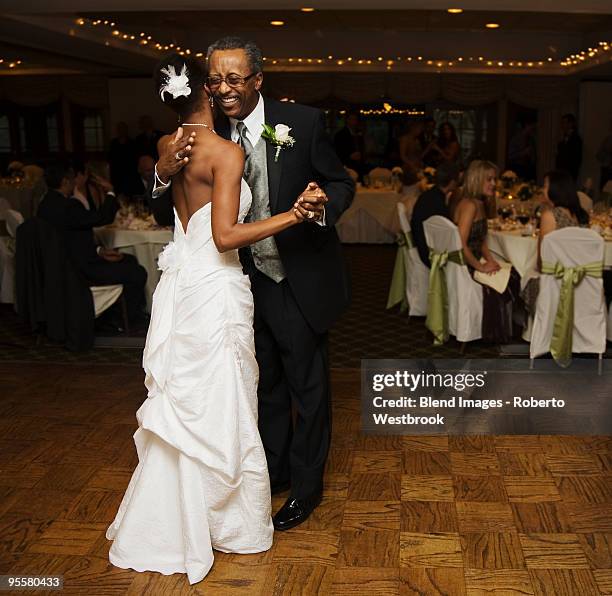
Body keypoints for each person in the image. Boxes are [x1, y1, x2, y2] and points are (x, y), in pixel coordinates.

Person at [148, 37, 354, 533]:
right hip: (239, 281)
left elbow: (342, 181)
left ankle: (307, 489)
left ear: (257, 80)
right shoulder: (200, 131)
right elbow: (170, 209)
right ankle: (275, 471)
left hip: (296, 277)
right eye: (215, 79)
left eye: (234, 79)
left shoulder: (301, 123)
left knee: (309, 389)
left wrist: (323, 199)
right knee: (263, 388)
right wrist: (160, 174)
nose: (224, 89)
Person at [37, 163, 147, 327]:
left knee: (128, 260)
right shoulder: (69, 206)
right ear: (66, 181)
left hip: (64, 263)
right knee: (137, 271)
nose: (75, 183)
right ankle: (125, 319)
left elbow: (70, 236)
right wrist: (110, 191)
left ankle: (119, 314)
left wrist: (99, 251)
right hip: (80, 268)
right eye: (72, 179)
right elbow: (101, 218)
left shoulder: (44, 204)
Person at [453, 160, 523, 343]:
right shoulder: (469, 205)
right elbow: (460, 243)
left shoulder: (479, 203)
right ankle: (500, 333)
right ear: (476, 180)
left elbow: (480, 240)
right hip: (465, 265)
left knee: (512, 273)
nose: (494, 184)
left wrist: (491, 260)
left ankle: (510, 329)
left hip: (472, 260)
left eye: (495, 179)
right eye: (489, 179)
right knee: (512, 279)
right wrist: (480, 267)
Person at [521, 170, 590, 315]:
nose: (542, 190)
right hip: (583, 282)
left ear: (556, 189)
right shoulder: (581, 215)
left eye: (545, 186)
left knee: (523, 275)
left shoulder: (550, 216)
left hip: (557, 283)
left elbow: (543, 263)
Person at [410, 162, 461, 267]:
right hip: (430, 254)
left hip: (421, 244)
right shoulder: (437, 203)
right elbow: (449, 232)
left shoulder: (428, 196)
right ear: (452, 182)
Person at [108, 122, 138, 195]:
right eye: (120, 129)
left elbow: (134, 159)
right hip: (116, 174)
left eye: (123, 129)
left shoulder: (132, 143)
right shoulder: (113, 143)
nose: (122, 131)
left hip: (129, 174)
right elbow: (110, 159)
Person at [334, 111, 365, 179]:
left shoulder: (359, 133)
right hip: (347, 167)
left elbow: (362, 148)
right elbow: (337, 152)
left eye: (355, 119)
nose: (354, 121)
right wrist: (349, 156)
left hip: (359, 166)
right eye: (352, 119)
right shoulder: (340, 135)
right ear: (347, 120)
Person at [555, 113, 582, 182]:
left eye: (564, 123)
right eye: (562, 123)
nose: (562, 125)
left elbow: (576, 159)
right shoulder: (564, 137)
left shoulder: (576, 139)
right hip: (561, 171)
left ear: (571, 124)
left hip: (569, 173)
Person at [596, 119, 612, 191]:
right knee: (604, 191)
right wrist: (606, 151)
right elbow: (598, 155)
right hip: (607, 170)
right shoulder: (608, 140)